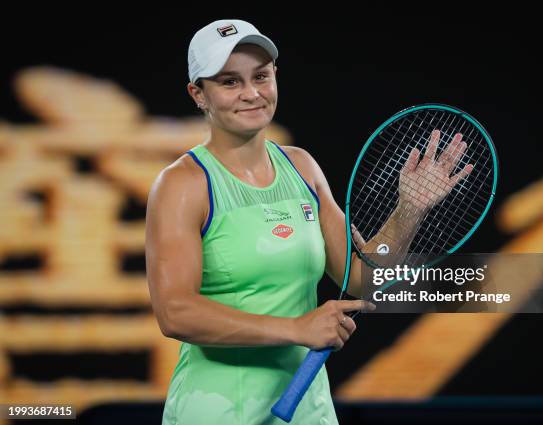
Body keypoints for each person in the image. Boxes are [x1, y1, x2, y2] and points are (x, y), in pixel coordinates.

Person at [146, 19, 470, 425]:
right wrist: (296, 328)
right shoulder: (181, 184)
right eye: (230, 82)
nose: (251, 93)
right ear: (199, 94)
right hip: (217, 411)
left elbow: (364, 279)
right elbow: (175, 312)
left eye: (261, 77)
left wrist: (410, 208)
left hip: (307, 411)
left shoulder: (302, 166)